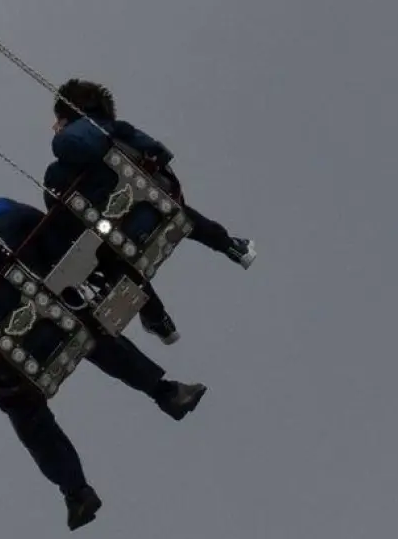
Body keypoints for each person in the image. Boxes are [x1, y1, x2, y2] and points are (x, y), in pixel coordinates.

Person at [0, 153, 207, 531]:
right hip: (60, 318)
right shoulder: (2, 210)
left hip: (14, 359)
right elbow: (57, 244)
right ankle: (165, 391)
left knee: (25, 410)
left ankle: (75, 491)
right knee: (91, 330)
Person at [43, 78, 257, 345]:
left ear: (67, 118)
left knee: (111, 262)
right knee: (178, 213)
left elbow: (58, 213)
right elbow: (159, 154)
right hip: (155, 210)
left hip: (116, 236)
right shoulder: (122, 132)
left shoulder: (62, 166)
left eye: (57, 121)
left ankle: (157, 318)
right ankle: (230, 245)